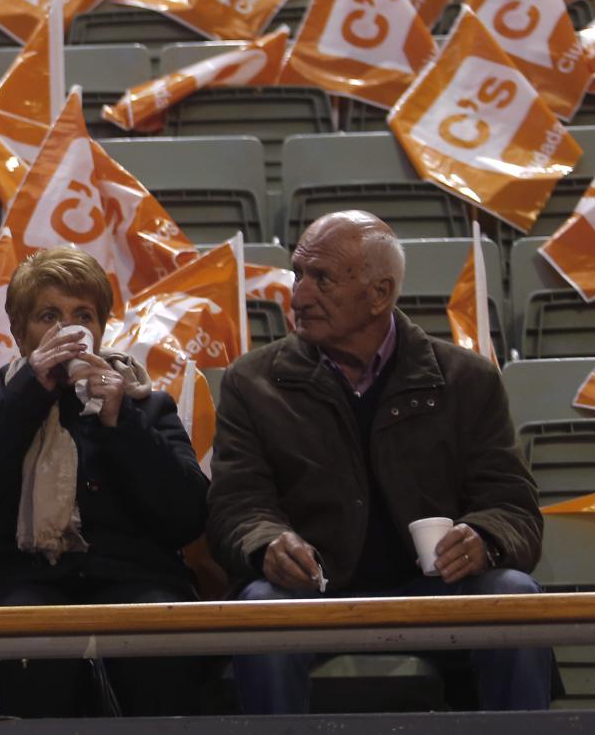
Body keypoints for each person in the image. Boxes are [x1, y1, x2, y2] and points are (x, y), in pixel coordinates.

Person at [210, 210, 552, 713]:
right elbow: (236, 506)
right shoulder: (251, 381)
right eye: (297, 274)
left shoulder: (468, 379)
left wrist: (485, 538)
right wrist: (265, 544)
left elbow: (513, 506)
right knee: (261, 608)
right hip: (311, 589)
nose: (299, 295)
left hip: (437, 589)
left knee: (515, 596)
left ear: (380, 293)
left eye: (321, 278)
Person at [0, 246, 208, 717]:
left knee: (158, 636)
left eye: (84, 315)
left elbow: (188, 515)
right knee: (32, 642)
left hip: (133, 579)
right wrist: (29, 395)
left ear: (100, 330)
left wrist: (122, 424)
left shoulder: (146, 408)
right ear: (20, 333)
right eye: (48, 315)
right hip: (13, 580)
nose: (69, 330)